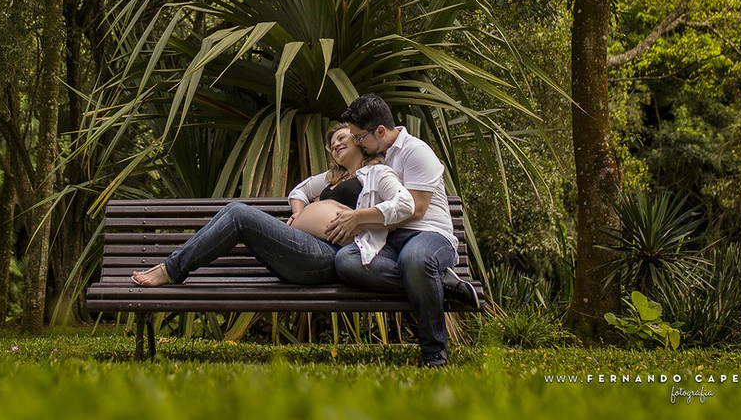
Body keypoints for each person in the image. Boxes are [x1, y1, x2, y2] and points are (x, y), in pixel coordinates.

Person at [131, 124, 414, 286]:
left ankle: (170, 270)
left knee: (237, 213)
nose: (335, 145)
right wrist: (299, 215)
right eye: (331, 143)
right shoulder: (333, 178)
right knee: (235, 213)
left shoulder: (377, 172)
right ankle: (171, 267)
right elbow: (300, 191)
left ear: (359, 140)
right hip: (302, 248)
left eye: (342, 138)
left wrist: (358, 218)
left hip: (328, 255)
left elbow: (404, 204)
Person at [328, 93, 482, 368]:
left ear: (380, 131)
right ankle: (438, 284)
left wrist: (359, 218)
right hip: (390, 238)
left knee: (416, 260)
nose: (357, 143)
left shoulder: (416, 151)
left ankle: (434, 353)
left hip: (430, 235)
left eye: (359, 137)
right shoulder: (375, 157)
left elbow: (417, 209)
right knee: (347, 261)